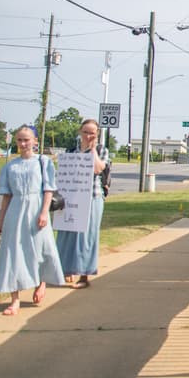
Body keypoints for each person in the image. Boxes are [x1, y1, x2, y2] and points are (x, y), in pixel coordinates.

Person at [0, 126, 65, 315]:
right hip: (15, 210)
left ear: (35, 141)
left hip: (36, 208)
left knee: (40, 249)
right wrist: (1, 222)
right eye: (19, 140)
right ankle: (14, 300)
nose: (23, 144)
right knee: (12, 253)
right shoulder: (10, 166)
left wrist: (43, 213)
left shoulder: (43, 162)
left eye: (26, 140)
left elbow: (48, 189)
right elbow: (6, 196)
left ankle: (41, 283)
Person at [55, 118, 111, 289]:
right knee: (67, 234)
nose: (88, 136)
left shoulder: (101, 150)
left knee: (87, 237)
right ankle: (66, 269)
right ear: (80, 132)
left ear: (97, 134)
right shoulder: (71, 151)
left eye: (92, 133)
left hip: (92, 197)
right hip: (71, 198)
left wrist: (92, 149)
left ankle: (84, 275)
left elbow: (98, 168)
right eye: (85, 132)